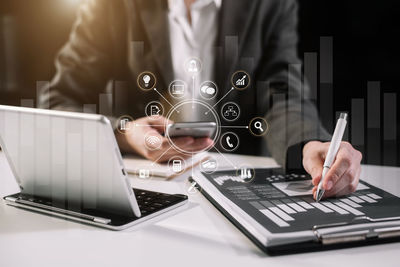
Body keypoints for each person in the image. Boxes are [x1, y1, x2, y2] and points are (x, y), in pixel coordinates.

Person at [39, 0, 362, 199]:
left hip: (239, 184)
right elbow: (57, 100)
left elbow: (280, 91)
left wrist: (307, 145)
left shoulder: (270, 3)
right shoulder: (112, 6)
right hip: (144, 187)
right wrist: (124, 134)